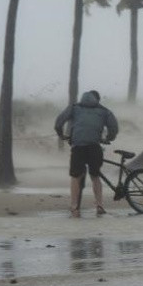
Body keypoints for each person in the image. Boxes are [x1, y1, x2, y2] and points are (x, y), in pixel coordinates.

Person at [54, 90, 118, 218]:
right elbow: (114, 127)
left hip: (78, 147)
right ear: (97, 100)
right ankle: (99, 205)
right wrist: (109, 138)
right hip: (94, 146)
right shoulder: (104, 111)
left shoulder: (74, 108)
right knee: (95, 176)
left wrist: (61, 134)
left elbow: (59, 122)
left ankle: (74, 207)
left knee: (76, 177)